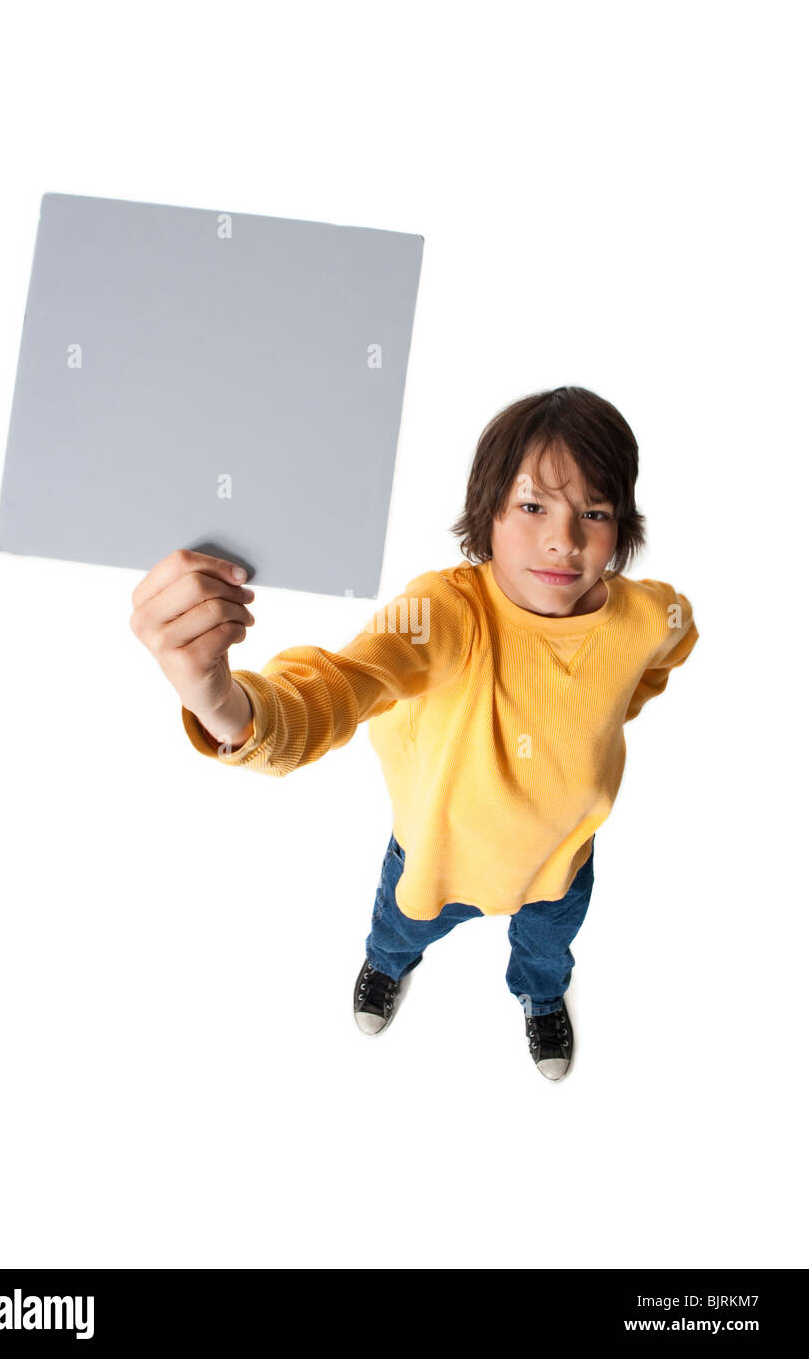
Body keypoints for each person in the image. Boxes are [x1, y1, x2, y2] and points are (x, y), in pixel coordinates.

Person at [130, 386, 699, 1082]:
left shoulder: (650, 614)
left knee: (548, 952)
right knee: (398, 928)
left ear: (621, 525)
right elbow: (340, 685)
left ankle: (541, 996)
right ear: (487, 512)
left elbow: (668, 646)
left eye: (594, 512)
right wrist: (220, 702)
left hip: (561, 862)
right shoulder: (446, 612)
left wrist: (611, 708)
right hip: (433, 856)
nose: (564, 538)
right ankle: (387, 965)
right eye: (532, 506)